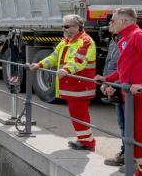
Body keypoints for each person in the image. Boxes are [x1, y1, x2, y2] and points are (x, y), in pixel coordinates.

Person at [96, 8, 142, 176]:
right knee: (136, 141)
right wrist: (107, 78)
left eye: (113, 20)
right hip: (132, 96)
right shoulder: (127, 38)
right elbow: (126, 69)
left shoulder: (138, 36)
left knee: (140, 142)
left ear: (124, 21)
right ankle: (141, 173)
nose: (110, 23)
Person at [29, 14, 97, 150]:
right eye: (63, 26)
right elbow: (54, 57)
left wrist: (66, 69)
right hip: (72, 85)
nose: (63, 29)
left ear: (77, 27)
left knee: (80, 114)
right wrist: (40, 64)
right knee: (76, 114)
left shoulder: (86, 41)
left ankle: (88, 143)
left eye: (66, 26)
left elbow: (79, 61)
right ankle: (84, 140)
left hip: (80, 86)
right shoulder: (66, 41)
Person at [102, 21, 125, 167]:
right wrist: (105, 81)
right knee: (122, 124)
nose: (109, 23)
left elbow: (127, 67)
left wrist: (115, 84)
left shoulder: (128, 40)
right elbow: (109, 62)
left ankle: (132, 159)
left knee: (130, 125)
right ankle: (125, 153)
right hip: (115, 87)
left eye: (112, 21)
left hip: (123, 88)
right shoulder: (114, 39)